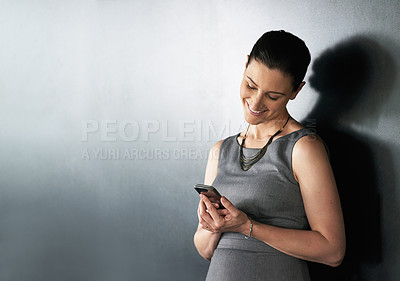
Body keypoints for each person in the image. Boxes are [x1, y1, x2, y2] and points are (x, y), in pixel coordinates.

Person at [193, 30, 346, 281]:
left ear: (296, 91)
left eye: (273, 96)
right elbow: (205, 248)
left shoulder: (304, 148)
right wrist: (215, 227)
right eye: (250, 85)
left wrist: (246, 226)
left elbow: (333, 251)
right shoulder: (220, 150)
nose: (255, 102)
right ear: (245, 65)